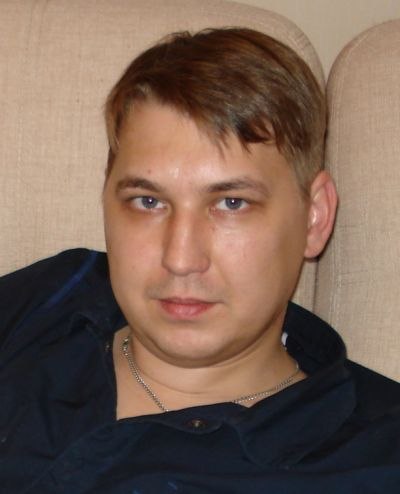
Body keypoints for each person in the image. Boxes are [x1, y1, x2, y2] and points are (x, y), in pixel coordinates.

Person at [1, 27, 399, 494]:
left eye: (232, 203)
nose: (181, 259)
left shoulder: (377, 460)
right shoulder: (52, 299)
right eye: (148, 201)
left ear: (314, 217)